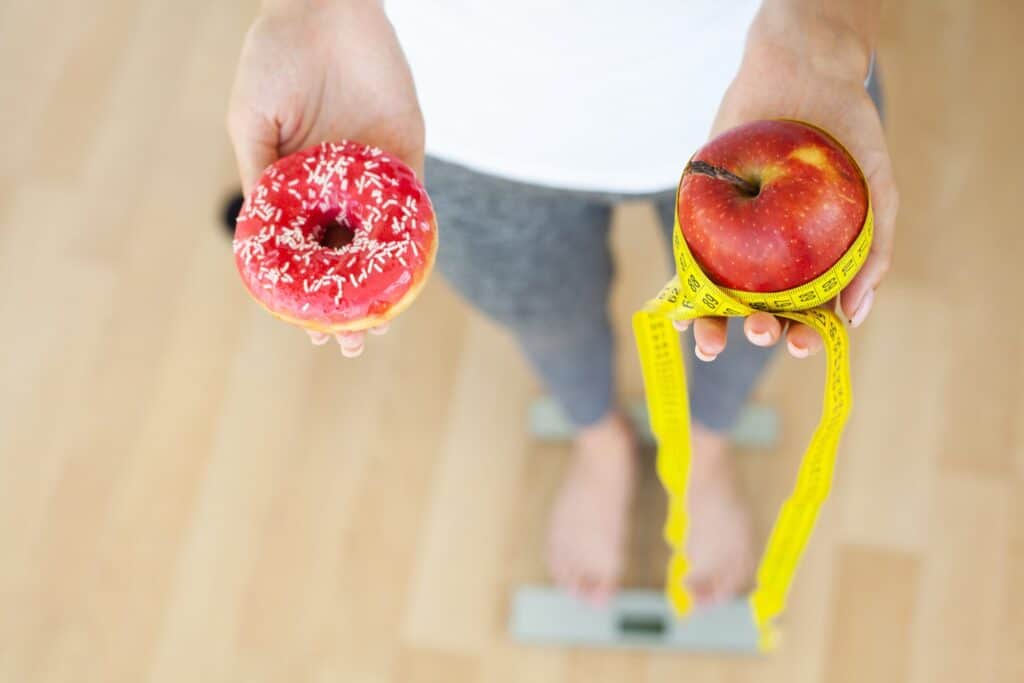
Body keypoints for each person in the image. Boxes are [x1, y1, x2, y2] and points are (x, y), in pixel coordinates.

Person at [227, 0, 898, 608]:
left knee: (758, 325)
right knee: (544, 316)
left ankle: (707, 443)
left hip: (768, 91)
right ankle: (597, 435)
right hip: (433, 106)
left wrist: (827, 31)